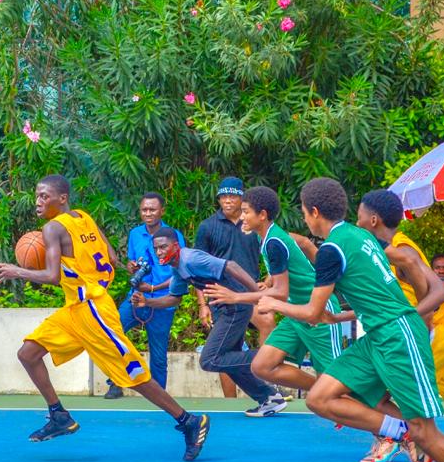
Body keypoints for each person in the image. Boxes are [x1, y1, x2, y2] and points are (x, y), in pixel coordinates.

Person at [258, 177, 444, 462]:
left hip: (399, 336)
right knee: (321, 398)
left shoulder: (333, 249)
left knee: (429, 433)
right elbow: (362, 293)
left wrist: (274, 303)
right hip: (377, 336)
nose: (304, 220)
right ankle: (400, 432)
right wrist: (336, 316)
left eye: (304, 213)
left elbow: (310, 312)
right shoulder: (357, 238)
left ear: (313, 212)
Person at [0, 175, 209, 460]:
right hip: (76, 310)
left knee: (132, 374)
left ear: (62, 198)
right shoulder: (83, 217)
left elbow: (51, 276)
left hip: (92, 311)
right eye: (37, 195)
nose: (38, 201)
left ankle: (188, 421)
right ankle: (59, 416)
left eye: (45, 196)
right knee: (28, 353)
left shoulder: (52, 228)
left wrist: (16, 270)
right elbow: (111, 257)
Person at [356, 190, 444, 462]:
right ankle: (412, 443)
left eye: (359, 213)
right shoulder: (386, 249)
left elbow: (435, 294)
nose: (357, 219)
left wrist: (411, 320)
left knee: (369, 394)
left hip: (431, 337)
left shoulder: (401, 250)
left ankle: (424, 449)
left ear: (373, 219)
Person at [203, 186, 344, 403]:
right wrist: (269, 282)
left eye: (246, 212)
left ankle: (386, 429)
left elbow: (280, 291)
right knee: (262, 366)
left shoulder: (273, 242)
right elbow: (285, 271)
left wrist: (236, 297)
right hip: (297, 313)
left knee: (337, 381)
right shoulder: (268, 237)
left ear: (262, 215)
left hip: (318, 311)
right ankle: (320, 389)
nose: (242, 217)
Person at [131, 228, 283, 416]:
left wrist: (257, 296)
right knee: (227, 359)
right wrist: (148, 302)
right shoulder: (177, 266)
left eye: (163, 247)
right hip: (225, 308)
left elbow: (232, 266)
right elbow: (174, 298)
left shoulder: (191, 258)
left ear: (176, 246)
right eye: (156, 249)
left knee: (210, 359)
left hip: (235, 307)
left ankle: (270, 356)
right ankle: (269, 398)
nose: (160, 252)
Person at [194, 176, 275, 397]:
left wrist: (268, 281)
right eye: (223, 196)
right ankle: (230, 401)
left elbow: (274, 252)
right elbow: (197, 268)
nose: (228, 200)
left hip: (250, 294)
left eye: (233, 196)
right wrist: (203, 304)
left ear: (242, 198)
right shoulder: (207, 227)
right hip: (222, 297)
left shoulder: (254, 224)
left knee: (267, 321)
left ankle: (267, 381)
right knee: (226, 350)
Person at [105, 192, 186, 398]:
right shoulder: (135, 234)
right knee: (113, 333)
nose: (148, 213)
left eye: (152, 209)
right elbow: (135, 264)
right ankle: (116, 381)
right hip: (135, 297)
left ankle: (159, 395)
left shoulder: (174, 235)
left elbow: (180, 272)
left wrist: (152, 289)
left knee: (158, 353)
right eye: (144, 210)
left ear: (162, 211)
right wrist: (132, 267)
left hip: (163, 300)